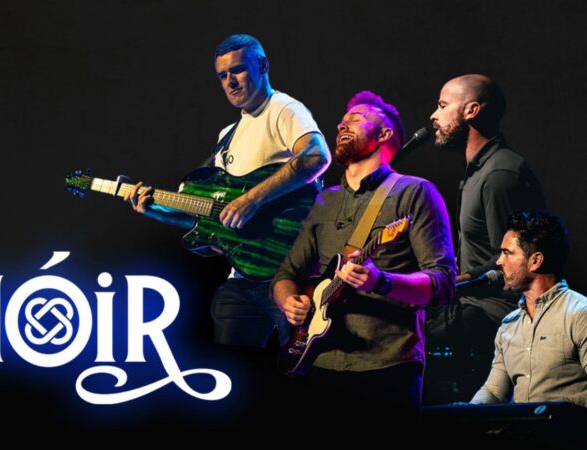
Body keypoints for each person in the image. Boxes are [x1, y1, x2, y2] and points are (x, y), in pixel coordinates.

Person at [124, 34, 331, 347]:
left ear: (262, 66)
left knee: (301, 367)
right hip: (241, 279)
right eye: (222, 76)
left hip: (288, 275)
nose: (230, 82)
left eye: (238, 71)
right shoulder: (227, 134)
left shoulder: (282, 108)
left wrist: (251, 199)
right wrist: (157, 212)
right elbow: (213, 220)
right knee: (233, 378)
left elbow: (316, 156)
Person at [271, 91, 456, 416]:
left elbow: (442, 283)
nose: (343, 124)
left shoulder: (414, 193)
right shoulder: (324, 201)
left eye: (356, 119)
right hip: (319, 364)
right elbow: (286, 275)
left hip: (386, 369)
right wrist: (289, 302)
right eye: (342, 121)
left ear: (385, 134)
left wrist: (381, 282)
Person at [426, 74, 546, 394]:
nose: (433, 116)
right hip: (472, 308)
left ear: (471, 111)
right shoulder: (478, 172)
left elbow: (513, 262)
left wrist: (457, 282)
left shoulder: (499, 174)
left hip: (495, 316)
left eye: (442, 105)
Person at [471, 210, 587, 407]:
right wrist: (464, 414)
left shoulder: (580, 313)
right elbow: (494, 391)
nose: (499, 262)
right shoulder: (508, 325)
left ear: (535, 260)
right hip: (520, 435)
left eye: (507, 253)